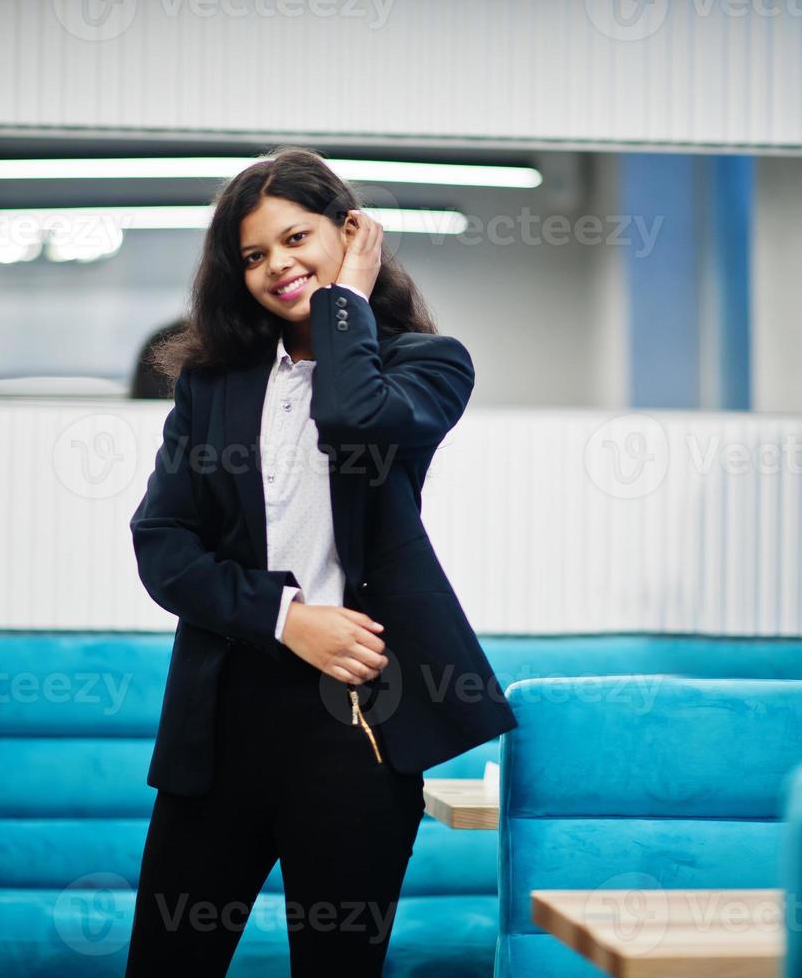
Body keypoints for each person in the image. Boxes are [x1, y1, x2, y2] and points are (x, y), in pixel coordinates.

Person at [124, 145, 516, 977]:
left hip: (357, 724)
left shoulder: (430, 365)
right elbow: (162, 546)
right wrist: (287, 620)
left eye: (297, 239)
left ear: (351, 234)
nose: (277, 266)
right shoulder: (212, 383)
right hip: (221, 720)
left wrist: (346, 305)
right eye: (254, 256)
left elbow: (353, 418)